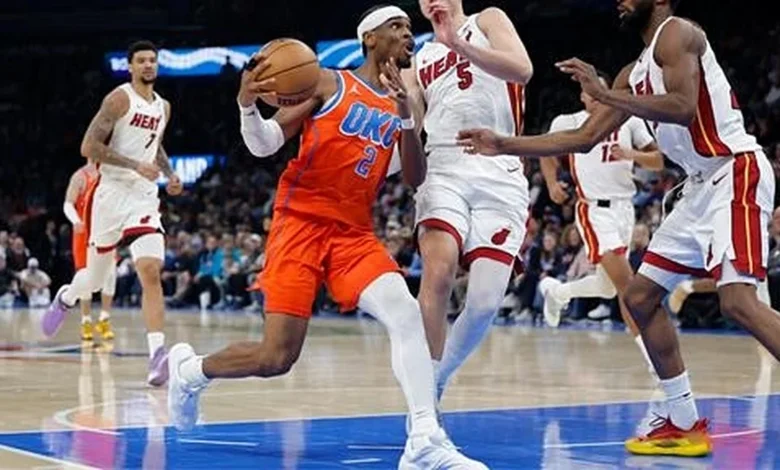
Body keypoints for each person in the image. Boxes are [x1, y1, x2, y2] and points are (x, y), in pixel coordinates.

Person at [166, 6, 486, 468]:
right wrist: (247, 105)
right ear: (369, 38)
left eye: (408, 28)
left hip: (353, 233)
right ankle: (191, 371)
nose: (407, 34)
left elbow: (414, 176)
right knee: (277, 357)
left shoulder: (407, 102)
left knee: (405, 313)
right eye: (396, 26)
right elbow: (264, 144)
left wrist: (405, 117)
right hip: (300, 224)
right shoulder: (327, 83)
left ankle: (424, 439)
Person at [457, 0, 780, 457]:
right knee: (639, 297)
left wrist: (606, 95)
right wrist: (504, 144)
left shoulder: (678, 32)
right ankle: (683, 420)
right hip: (698, 188)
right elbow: (585, 137)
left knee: (738, 302)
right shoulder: (633, 72)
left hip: (734, 171)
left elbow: (683, 107)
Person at [406, 0, 533, 411]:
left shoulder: (489, 19)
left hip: (499, 167)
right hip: (443, 167)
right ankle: (424, 401)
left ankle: (438, 379)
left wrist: (458, 45)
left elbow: (522, 70)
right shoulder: (419, 57)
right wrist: (400, 101)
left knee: (483, 303)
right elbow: (414, 121)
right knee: (438, 273)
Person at [42, 40, 183, 387]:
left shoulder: (163, 107)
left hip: (143, 198)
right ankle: (66, 297)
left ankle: (157, 355)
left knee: (150, 270)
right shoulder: (118, 99)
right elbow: (88, 147)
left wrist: (169, 173)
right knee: (93, 280)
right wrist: (135, 165)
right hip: (109, 195)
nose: (148, 65)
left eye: (152, 60)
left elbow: (155, 146)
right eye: (141, 61)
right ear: (130, 66)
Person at [537, 71, 663, 378]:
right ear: (582, 96)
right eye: (588, 92)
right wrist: (552, 183)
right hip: (595, 211)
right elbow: (545, 151)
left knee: (607, 289)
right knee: (628, 287)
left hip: (625, 211)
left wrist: (631, 154)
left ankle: (558, 292)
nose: (593, 96)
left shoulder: (629, 120)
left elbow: (658, 161)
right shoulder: (568, 122)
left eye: (598, 91)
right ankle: (655, 360)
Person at [63, 162, 117, 342]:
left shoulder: (112, 174)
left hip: (107, 230)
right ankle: (86, 321)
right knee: (86, 277)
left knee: (111, 275)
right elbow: (68, 203)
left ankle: (104, 319)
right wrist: (75, 220)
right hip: (85, 233)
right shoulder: (81, 176)